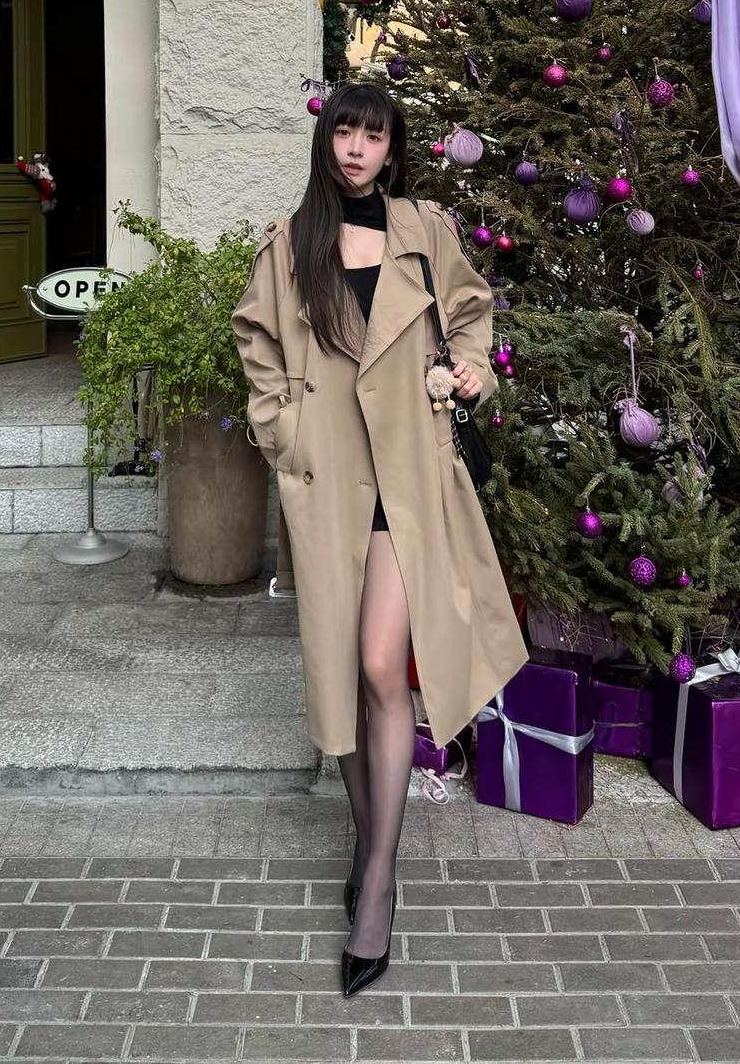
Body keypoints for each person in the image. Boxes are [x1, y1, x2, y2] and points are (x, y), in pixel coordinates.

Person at [230, 81, 528, 997]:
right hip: (329, 482)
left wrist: (469, 369)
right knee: (341, 674)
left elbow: (470, 309)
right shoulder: (292, 245)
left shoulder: (423, 231)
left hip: (406, 476)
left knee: (376, 665)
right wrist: (282, 430)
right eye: (345, 132)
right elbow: (257, 343)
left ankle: (380, 880)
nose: (356, 148)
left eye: (373, 135)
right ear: (326, 141)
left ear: (393, 149)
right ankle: (369, 845)